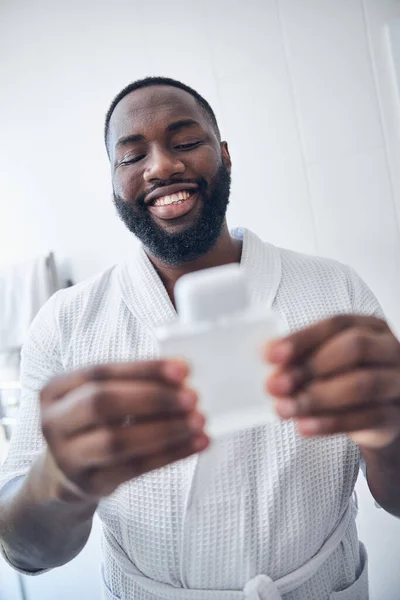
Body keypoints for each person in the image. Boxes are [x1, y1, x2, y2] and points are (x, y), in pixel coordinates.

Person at [0, 76, 400, 600]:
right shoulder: (65, 324)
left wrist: (392, 430)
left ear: (225, 155)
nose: (162, 165)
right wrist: (62, 481)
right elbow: (25, 552)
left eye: (185, 141)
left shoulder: (335, 290)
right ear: (113, 181)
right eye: (131, 155)